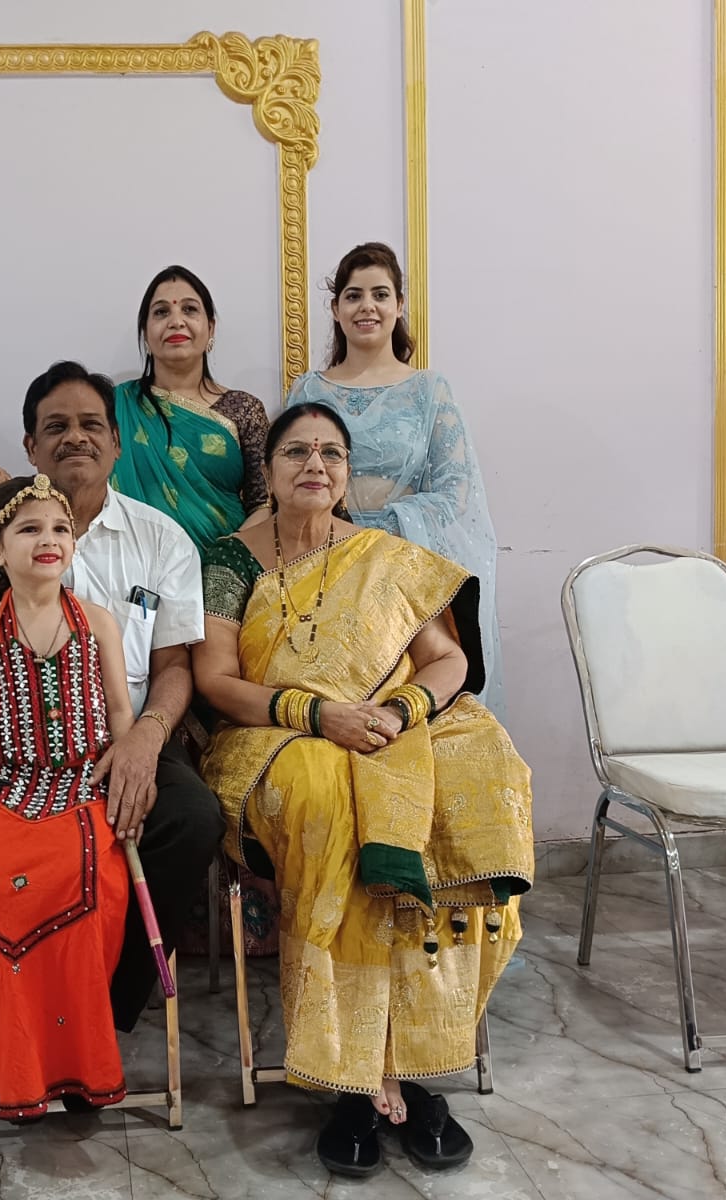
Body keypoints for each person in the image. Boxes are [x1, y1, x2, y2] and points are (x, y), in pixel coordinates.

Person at [194, 402, 534, 1178]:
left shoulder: (382, 555)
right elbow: (216, 680)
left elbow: (446, 661)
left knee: (479, 780)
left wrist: (399, 712)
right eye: (296, 452)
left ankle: (407, 1062)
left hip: (390, 725)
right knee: (329, 801)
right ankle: (352, 1075)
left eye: (331, 454)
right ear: (269, 470)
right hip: (274, 734)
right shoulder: (230, 560)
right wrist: (318, 714)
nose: (315, 465)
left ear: (346, 474)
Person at [0, 360, 225, 1036]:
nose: (75, 437)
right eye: (55, 426)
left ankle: (102, 1006)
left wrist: (145, 739)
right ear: (30, 447)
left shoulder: (160, 539)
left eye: (91, 425)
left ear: (117, 443)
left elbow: (174, 665)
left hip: (117, 744)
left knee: (192, 820)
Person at [0, 475, 135, 1117]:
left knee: (95, 894)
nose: (48, 540)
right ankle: (21, 1076)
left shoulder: (99, 624)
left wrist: (126, 781)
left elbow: (121, 714)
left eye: (59, 529)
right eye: (28, 529)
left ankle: (80, 1070)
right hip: (9, 794)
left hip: (87, 792)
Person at [286, 242, 505, 715]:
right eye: (353, 295)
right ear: (336, 309)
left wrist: (381, 532)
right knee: (334, 704)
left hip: (406, 569)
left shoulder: (429, 390)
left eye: (380, 294)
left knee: (408, 703)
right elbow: (287, 475)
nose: (367, 306)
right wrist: (339, 534)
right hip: (323, 564)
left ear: (399, 305)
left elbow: (456, 492)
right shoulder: (308, 390)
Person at [109, 265, 269, 553]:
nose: (176, 321)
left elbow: (264, 504)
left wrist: (225, 559)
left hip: (222, 566)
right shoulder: (114, 405)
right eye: (161, 312)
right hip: (130, 563)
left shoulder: (244, 410)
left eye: (189, 309)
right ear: (145, 333)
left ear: (211, 328)